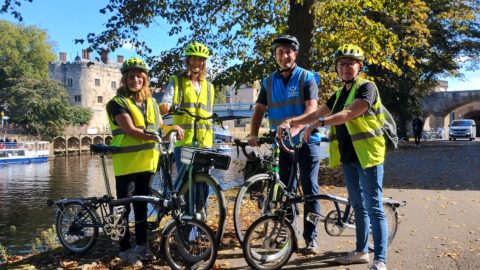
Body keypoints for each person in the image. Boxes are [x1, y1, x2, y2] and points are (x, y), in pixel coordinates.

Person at [278, 44, 389, 270]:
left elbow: (349, 113)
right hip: (349, 156)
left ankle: (380, 259)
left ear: (360, 66)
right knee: (358, 206)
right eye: (341, 64)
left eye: (350, 63)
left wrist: (319, 123)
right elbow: (318, 113)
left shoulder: (367, 87)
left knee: (374, 206)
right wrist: (293, 122)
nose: (345, 68)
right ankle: (361, 251)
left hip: (368, 155)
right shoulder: (339, 93)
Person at [248, 34, 322, 255]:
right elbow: (259, 110)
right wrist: (253, 134)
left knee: (310, 190)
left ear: (295, 54)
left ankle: (311, 238)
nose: (284, 55)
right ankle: (288, 235)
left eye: (288, 51)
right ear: (275, 56)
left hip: (307, 141)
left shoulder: (306, 77)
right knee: (286, 192)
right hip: (282, 143)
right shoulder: (268, 82)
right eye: (280, 51)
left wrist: (292, 123)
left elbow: (312, 109)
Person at [106, 57, 162, 265]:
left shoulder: (152, 103)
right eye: (131, 76)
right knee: (123, 207)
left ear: (145, 79)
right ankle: (124, 249)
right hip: (126, 163)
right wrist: (157, 137)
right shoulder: (117, 103)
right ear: (124, 79)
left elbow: (160, 126)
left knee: (141, 205)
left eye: (139, 76)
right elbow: (130, 129)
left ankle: (141, 245)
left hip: (148, 162)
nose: (135, 80)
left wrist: (172, 129)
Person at [159, 42, 214, 171]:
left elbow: (210, 113)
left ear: (204, 63)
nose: (197, 63)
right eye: (194, 58)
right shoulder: (177, 81)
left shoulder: (210, 87)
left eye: (200, 60)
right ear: (188, 60)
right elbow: (166, 99)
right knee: (185, 183)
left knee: (203, 184)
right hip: (184, 140)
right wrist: (165, 105)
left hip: (205, 141)